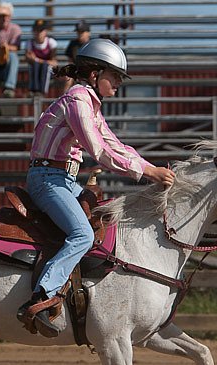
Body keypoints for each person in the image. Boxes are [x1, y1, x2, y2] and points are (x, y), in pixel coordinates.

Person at [17, 39, 175, 338]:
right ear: (94, 74)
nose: (117, 83)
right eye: (114, 76)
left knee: (105, 219)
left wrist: (148, 168)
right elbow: (98, 150)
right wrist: (146, 171)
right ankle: (40, 297)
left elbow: (115, 144)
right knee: (82, 234)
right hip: (48, 180)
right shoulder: (77, 100)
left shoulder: (88, 102)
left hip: (62, 180)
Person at [25, 19, 58, 94]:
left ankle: (42, 91)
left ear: (45, 32)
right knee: (34, 65)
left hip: (48, 71)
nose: (38, 33)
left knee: (45, 66)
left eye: (41, 30)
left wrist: (37, 60)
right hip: (35, 69)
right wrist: (30, 59)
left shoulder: (51, 42)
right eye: (36, 30)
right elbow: (27, 59)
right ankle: (34, 89)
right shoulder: (29, 43)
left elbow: (54, 63)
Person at [63, 21, 91, 92]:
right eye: (78, 32)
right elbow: (70, 61)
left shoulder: (92, 45)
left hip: (89, 70)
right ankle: (64, 98)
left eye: (82, 32)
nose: (80, 34)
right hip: (76, 69)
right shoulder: (73, 44)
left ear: (88, 33)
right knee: (68, 77)